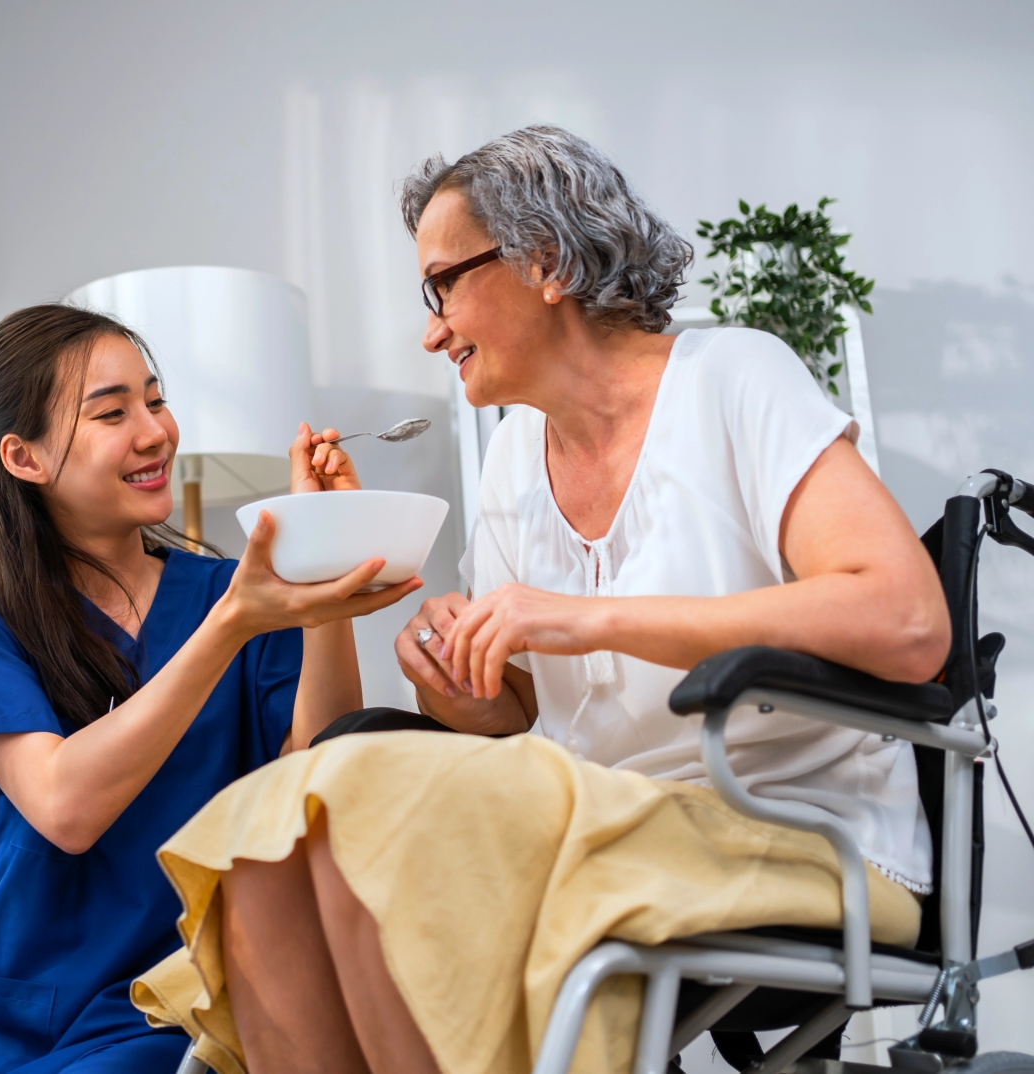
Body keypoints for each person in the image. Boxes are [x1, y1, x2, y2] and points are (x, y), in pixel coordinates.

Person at [129, 126, 952, 1074]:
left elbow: (906, 622)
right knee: (282, 849)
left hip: (789, 836)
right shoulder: (519, 453)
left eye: (442, 285)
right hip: (590, 817)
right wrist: (455, 668)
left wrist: (583, 617)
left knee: (348, 804)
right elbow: (511, 716)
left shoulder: (734, 380)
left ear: (547, 261)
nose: (431, 328)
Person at [0, 304, 418, 1073]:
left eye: (156, 398)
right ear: (24, 457)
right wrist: (233, 625)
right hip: (21, 1016)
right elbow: (65, 808)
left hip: (189, 996)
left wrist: (319, 569)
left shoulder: (230, 592)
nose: (155, 432)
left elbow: (318, 770)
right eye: (112, 412)